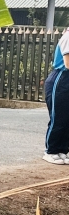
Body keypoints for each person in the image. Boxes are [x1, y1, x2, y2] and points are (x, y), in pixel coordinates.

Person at [45, 25, 69, 164]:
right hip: (61, 79)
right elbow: (68, 63)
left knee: (67, 119)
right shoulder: (67, 37)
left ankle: (63, 150)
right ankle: (51, 150)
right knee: (58, 117)